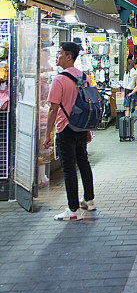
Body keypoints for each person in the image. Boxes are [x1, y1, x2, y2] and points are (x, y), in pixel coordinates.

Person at [43, 42, 95, 221]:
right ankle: (89, 200)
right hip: (81, 127)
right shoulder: (84, 77)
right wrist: (88, 129)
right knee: (83, 163)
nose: (57, 56)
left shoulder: (59, 79)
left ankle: (73, 210)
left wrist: (47, 134)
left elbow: (53, 109)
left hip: (65, 128)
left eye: (59, 53)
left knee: (69, 169)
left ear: (68, 57)